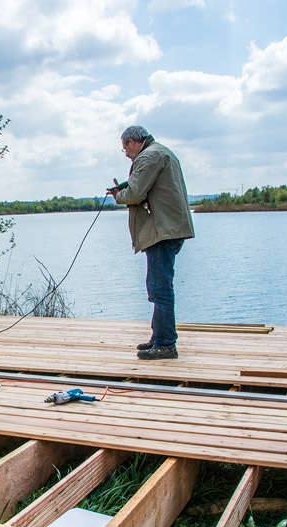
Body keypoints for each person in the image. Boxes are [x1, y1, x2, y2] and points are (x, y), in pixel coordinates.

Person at [107, 125, 195, 360]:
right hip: (168, 229)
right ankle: (158, 338)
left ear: (134, 141)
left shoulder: (149, 156)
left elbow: (136, 194)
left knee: (160, 289)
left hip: (162, 231)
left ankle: (166, 344)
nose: (125, 153)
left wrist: (119, 196)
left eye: (125, 147)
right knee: (159, 287)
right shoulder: (161, 152)